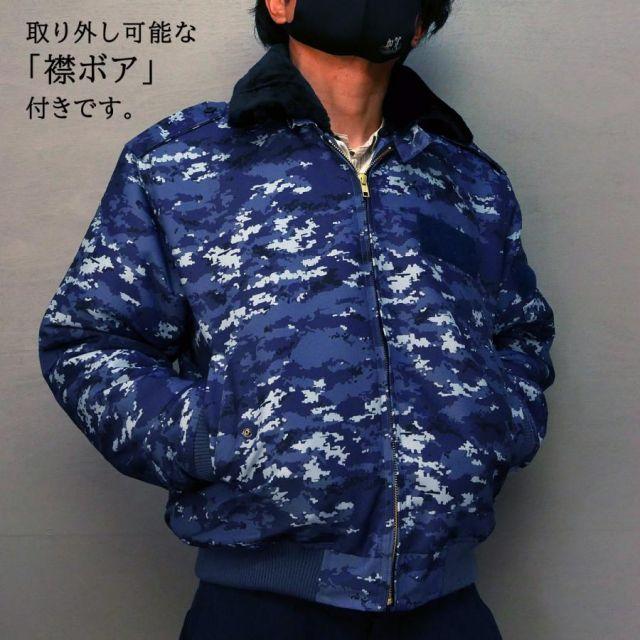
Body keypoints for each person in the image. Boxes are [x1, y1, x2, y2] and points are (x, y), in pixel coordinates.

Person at [37, 0, 556, 638]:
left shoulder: (470, 181)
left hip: (444, 603)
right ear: (280, 3)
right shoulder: (180, 162)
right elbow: (88, 340)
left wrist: (496, 424)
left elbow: (520, 334)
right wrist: (211, 435)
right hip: (260, 606)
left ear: (421, 23)